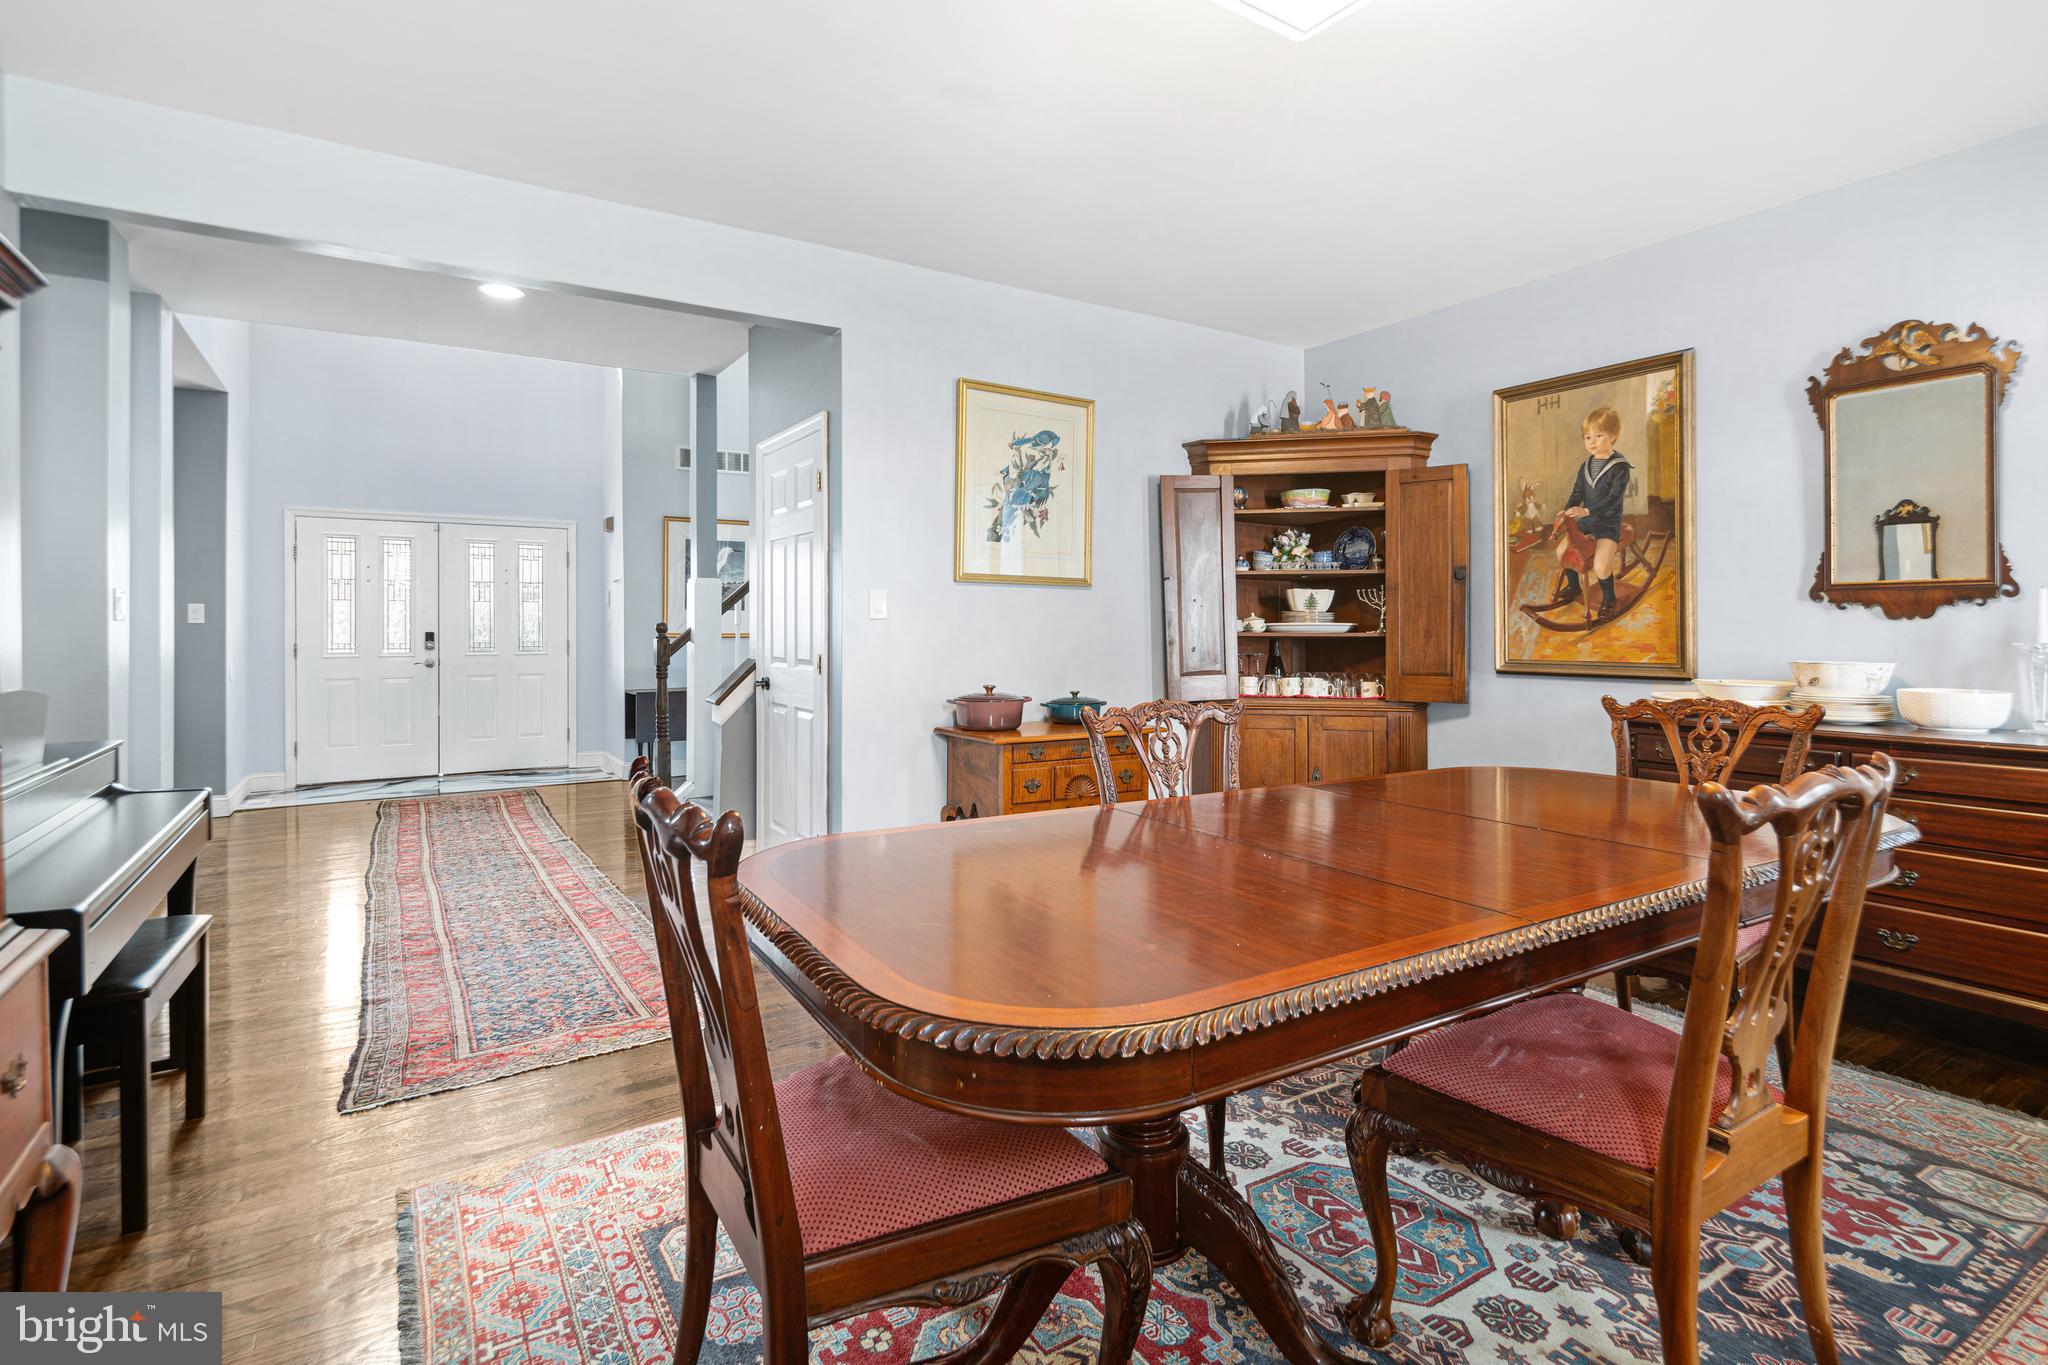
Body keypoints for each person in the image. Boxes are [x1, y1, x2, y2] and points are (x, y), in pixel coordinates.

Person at [1557, 405, 1632, 617]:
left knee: (1600, 565)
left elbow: (1612, 500)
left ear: (1613, 436)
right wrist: (1566, 511)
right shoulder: (1586, 465)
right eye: (1587, 437)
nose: (1592, 442)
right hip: (1587, 520)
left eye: (1598, 436)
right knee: (1562, 551)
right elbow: (1577, 492)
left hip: (1608, 523)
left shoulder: (1620, 466)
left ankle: (1609, 599)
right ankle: (1574, 587)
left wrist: (1587, 511)